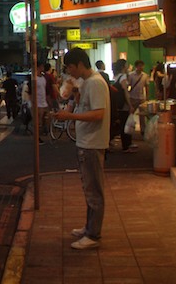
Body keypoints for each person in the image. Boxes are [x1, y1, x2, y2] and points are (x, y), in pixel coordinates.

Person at [53, 47, 110, 250]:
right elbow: (85, 107)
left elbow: (98, 114)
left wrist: (69, 117)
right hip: (86, 142)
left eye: (70, 67)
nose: (70, 72)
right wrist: (75, 96)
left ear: (78, 64)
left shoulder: (95, 83)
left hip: (92, 144)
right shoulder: (87, 83)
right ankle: (89, 228)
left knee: (94, 191)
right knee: (89, 188)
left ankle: (93, 235)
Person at [112, 59, 135, 153]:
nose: (127, 67)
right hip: (123, 104)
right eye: (126, 65)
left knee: (122, 123)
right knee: (125, 124)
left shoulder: (116, 76)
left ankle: (126, 144)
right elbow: (125, 91)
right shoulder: (123, 77)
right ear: (123, 67)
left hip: (118, 103)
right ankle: (126, 145)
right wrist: (130, 105)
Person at [128, 60, 150, 135]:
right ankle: (129, 128)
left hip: (141, 98)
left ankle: (143, 130)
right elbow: (128, 85)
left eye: (142, 66)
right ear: (136, 66)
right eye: (140, 66)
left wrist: (147, 97)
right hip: (132, 97)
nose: (141, 67)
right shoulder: (131, 75)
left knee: (142, 115)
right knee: (131, 113)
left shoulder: (145, 76)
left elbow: (147, 86)